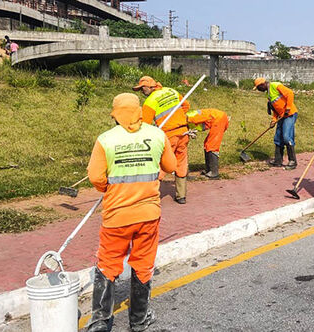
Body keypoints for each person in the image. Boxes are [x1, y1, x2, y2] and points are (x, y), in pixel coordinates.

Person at [86, 93, 177, 332]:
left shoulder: (106, 139)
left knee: (108, 264)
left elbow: (95, 176)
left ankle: (100, 322)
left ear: (115, 114)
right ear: (138, 111)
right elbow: (171, 166)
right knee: (143, 264)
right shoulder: (157, 135)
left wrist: (108, 189)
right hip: (148, 214)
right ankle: (138, 320)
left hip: (117, 215)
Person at [133, 76, 191, 204]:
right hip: (183, 132)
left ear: (149, 87)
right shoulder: (171, 91)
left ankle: (149, 195)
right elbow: (186, 106)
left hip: (168, 136)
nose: (142, 92)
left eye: (142, 89)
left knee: (161, 164)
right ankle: (181, 196)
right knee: (181, 161)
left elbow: (145, 124)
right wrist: (177, 119)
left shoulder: (150, 101)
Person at [253, 77, 298, 170]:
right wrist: (273, 120)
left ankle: (293, 161)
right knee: (278, 138)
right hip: (281, 116)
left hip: (290, 114)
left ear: (262, 85)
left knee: (286, 137)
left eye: (258, 88)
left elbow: (290, 93)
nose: (258, 90)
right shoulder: (268, 94)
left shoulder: (275, 85)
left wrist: (288, 108)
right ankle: (278, 160)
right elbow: (275, 110)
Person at [185, 108, 229, 179]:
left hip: (219, 119)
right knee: (207, 143)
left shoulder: (188, 118)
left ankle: (214, 173)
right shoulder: (187, 118)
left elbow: (198, 119)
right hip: (218, 118)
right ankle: (209, 170)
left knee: (212, 145)